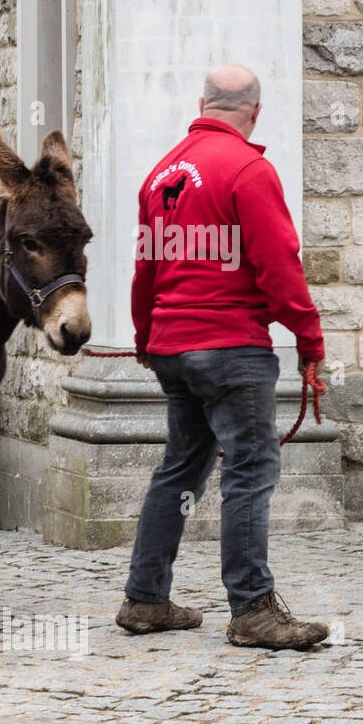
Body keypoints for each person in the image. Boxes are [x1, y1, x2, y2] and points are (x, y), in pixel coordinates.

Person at [120, 63, 329, 650]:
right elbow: (280, 265)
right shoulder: (248, 168)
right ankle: (253, 608)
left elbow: (146, 269)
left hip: (173, 346)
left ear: (201, 103)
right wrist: (310, 341)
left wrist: (144, 337)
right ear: (255, 112)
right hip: (231, 348)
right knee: (249, 471)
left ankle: (145, 599)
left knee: (180, 468)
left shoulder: (160, 173)